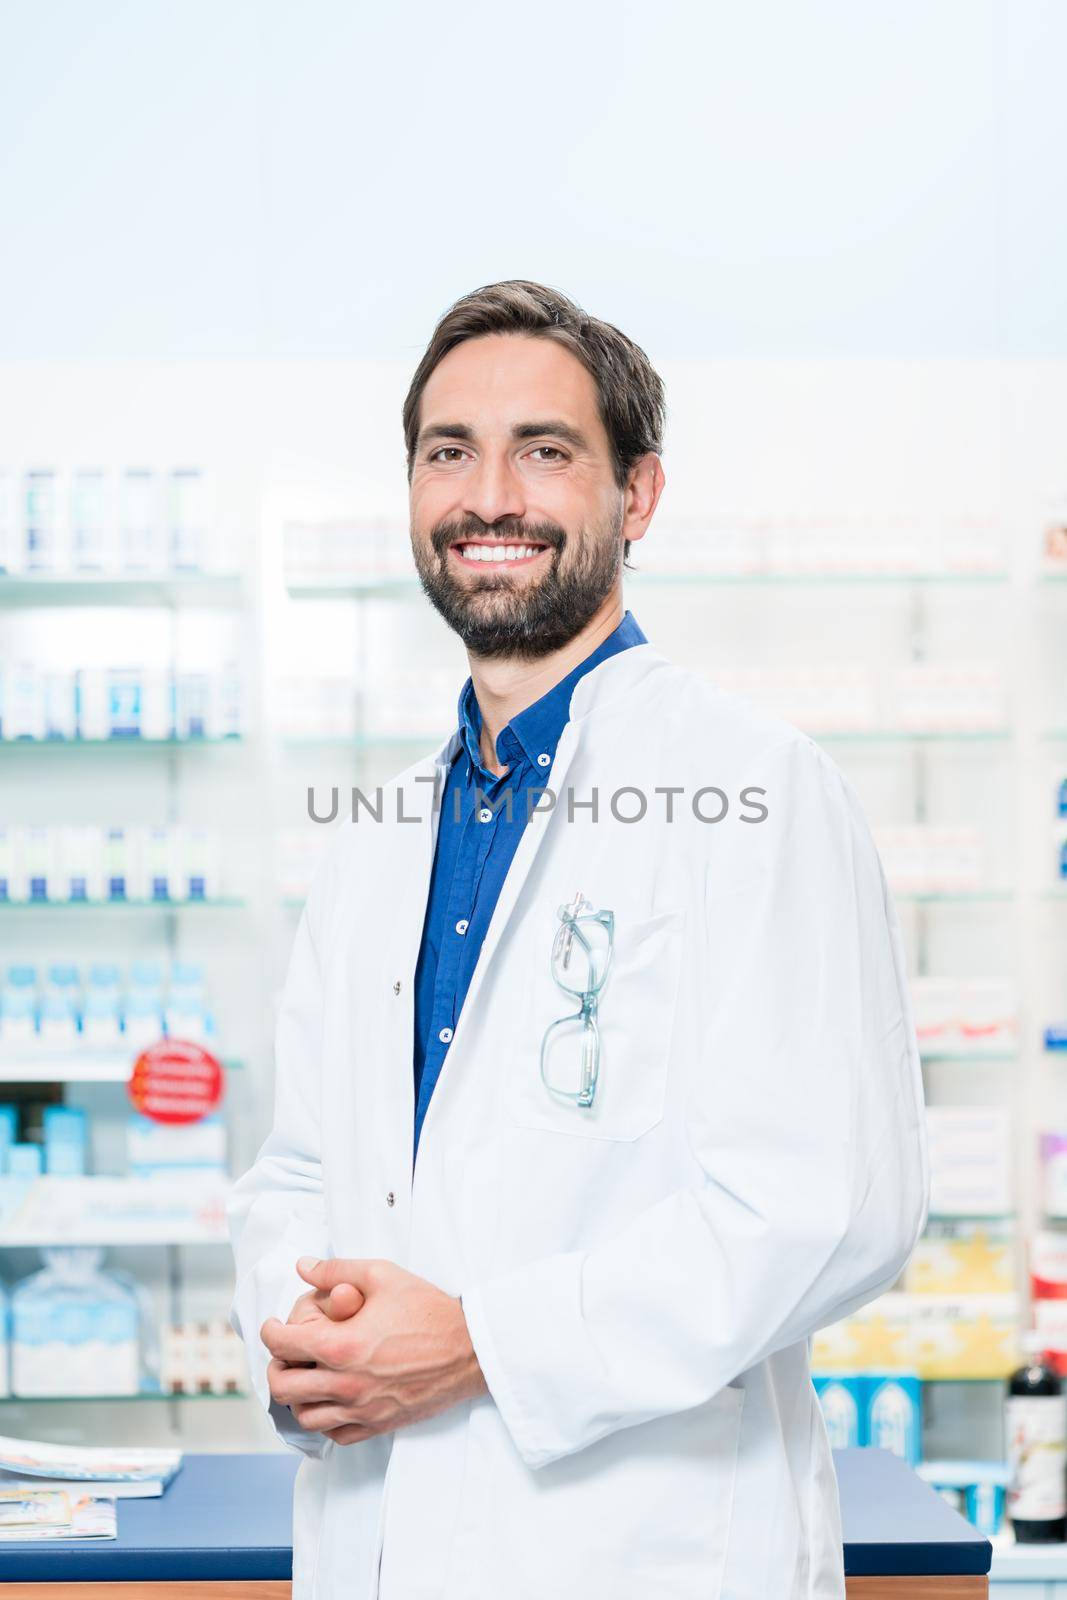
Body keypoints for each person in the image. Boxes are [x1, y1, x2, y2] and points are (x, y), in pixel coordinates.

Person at [227, 280, 929, 1600]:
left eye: (543, 452)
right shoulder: (376, 835)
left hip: (642, 1553)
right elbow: (301, 1170)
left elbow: (830, 1204)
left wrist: (485, 1343)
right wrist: (309, 1333)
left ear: (637, 497)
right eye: (450, 453)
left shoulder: (758, 792)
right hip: (381, 1536)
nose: (490, 498)